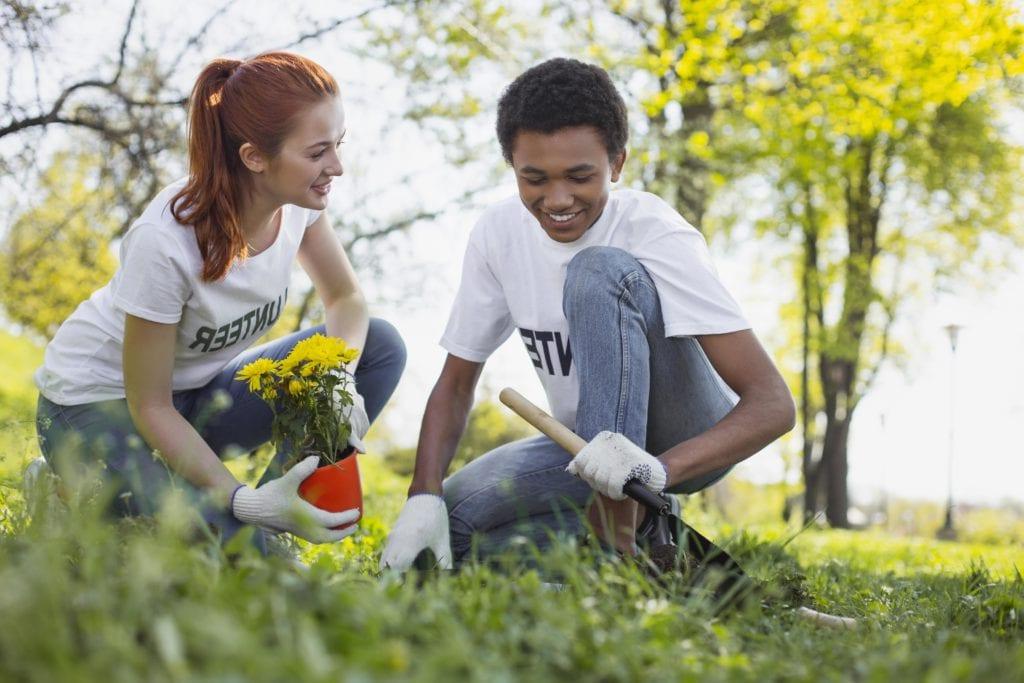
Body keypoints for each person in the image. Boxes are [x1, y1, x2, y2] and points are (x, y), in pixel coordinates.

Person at [379, 58, 794, 570]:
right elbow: (458, 381)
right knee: (456, 524)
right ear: (511, 164)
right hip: (583, 447)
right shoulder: (498, 234)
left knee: (597, 270)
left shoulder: (654, 231)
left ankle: (613, 548)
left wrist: (653, 473)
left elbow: (772, 405)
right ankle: (651, 546)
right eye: (534, 178)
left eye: (580, 176)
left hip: (679, 443)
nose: (557, 200)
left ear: (616, 164)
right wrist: (422, 497)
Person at [31, 52, 406, 552]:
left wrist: (338, 380)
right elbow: (151, 405)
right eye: (317, 152)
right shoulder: (166, 241)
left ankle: (278, 515)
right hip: (96, 408)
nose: (335, 166)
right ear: (254, 157)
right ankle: (69, 492)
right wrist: (240, 499)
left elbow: (346, 299)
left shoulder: (299, 207)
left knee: (377, 346)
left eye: (338, 145)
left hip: (196, 400)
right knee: (237, 557)